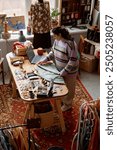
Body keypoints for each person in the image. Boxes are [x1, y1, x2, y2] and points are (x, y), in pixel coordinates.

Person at [37, 27, 79, 112]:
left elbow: (73, 60)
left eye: (54, 35)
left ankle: (68, 104)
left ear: (60, 35)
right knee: (61, 85)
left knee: (69, 87)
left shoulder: (71, 44)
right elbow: (53, 51)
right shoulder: (57, 41)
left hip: (70, 71)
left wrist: (64, 71)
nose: (53, 37)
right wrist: (45, 60)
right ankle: (63, 100)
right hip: (59, 68)